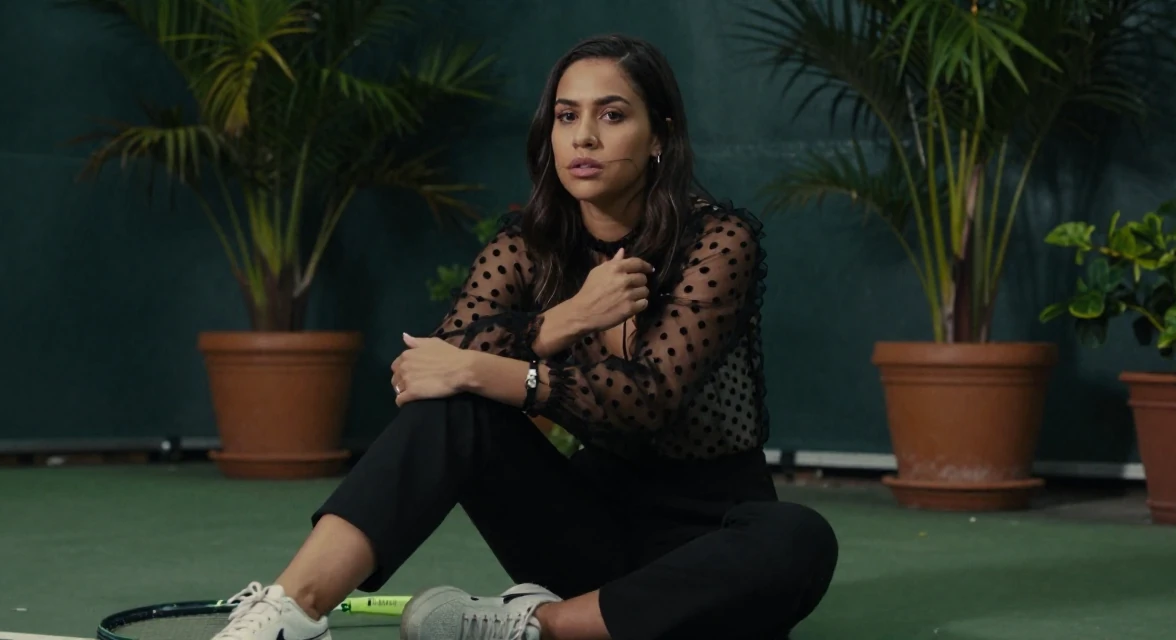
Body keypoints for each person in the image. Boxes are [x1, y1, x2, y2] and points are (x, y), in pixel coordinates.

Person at [211, 33, 838, 640]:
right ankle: (292, 611)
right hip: (587, 531)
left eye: (612, 115)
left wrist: (493, 372)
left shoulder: (718, 241)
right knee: (453, 409)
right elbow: (427, 369)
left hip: (713, 534)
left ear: (660, 138)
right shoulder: (526, 248)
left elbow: (650, 398)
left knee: (798, 539)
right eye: (567, 116)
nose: (584, 137)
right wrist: (559, 322)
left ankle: (534, 625)